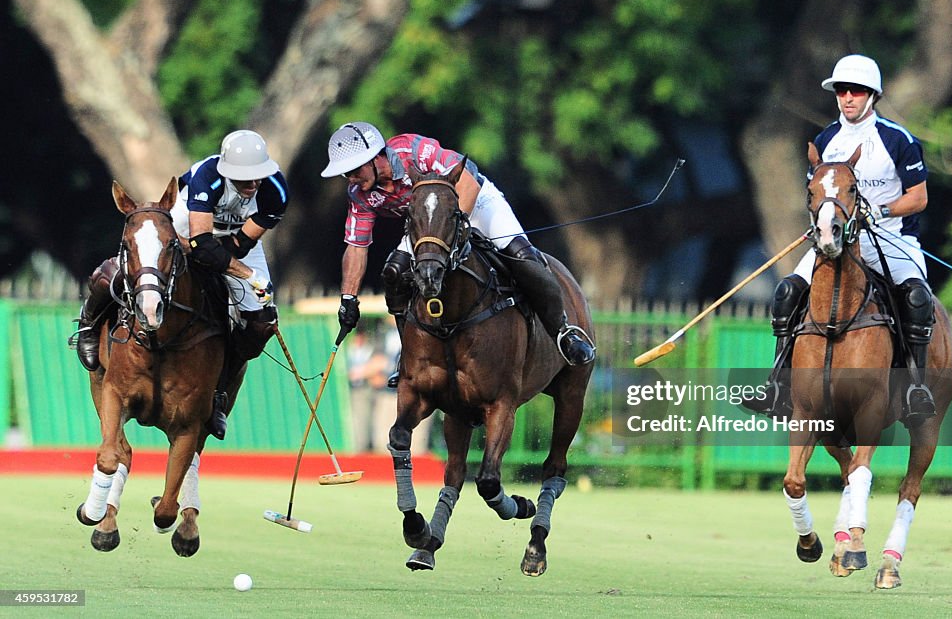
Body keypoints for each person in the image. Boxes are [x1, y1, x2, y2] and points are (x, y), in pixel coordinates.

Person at [319, 122, 595, 384]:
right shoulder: (360, 193)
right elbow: (356, 247)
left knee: (524, 257)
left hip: (474, 202)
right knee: (394, 272)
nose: (351, 178)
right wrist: (348, 298)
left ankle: (563, 332)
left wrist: (454, 228)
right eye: (346, 174)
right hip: (429, 223)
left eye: (355, 170)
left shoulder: (414, 151)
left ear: (376, 157)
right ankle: (408, 355)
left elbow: (467, 182)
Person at [745, 54, 937, 423]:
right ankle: (777, 386)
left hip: (891, 239)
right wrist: (820, 221)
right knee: (787, 292)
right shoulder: (825, 139)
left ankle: (916, 387)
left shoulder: (898, 140)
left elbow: (919, 197)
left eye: (857, 91)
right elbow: (815, 192)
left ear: (873, 96)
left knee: (916, 297)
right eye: (842, 90)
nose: (848, 97)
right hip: (834, 243)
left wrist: (878, 212)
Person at [72, 130, 288, 439]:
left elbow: (240, 245)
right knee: (114, 273)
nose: (252, 185)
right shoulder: (207, 178)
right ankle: (88, 327)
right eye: (244, 179)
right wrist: (247, 275)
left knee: (261, 323)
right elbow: (200, 243)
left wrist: (239, 273)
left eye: (257, 178)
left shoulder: (276, 191)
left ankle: (218, 392)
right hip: (183, 232)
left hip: (233, 242)